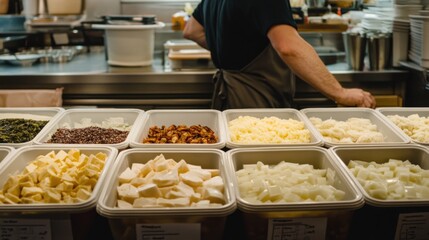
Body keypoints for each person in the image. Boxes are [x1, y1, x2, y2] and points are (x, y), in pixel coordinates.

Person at [183, 0, 376, 110]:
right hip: (255, 99)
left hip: (229, 96)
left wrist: (228, 48)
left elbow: (192, 30)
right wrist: (340, 93)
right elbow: (288, 46)